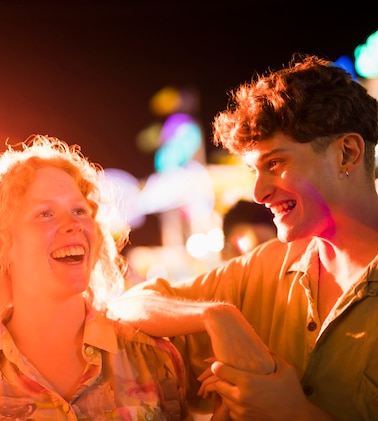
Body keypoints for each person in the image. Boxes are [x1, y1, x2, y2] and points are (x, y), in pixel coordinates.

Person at [108, 54, 378, 421]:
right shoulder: (266, 267)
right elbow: (129, 305)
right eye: (253, 169)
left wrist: (293, 412)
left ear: (347, 153)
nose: (258, 192)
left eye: (275, 164)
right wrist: (214, 314)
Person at [0, 135, 193, 420]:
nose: (73, 225)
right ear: (1, 244)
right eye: (45, 214)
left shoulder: (153, 359)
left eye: (79, 210)